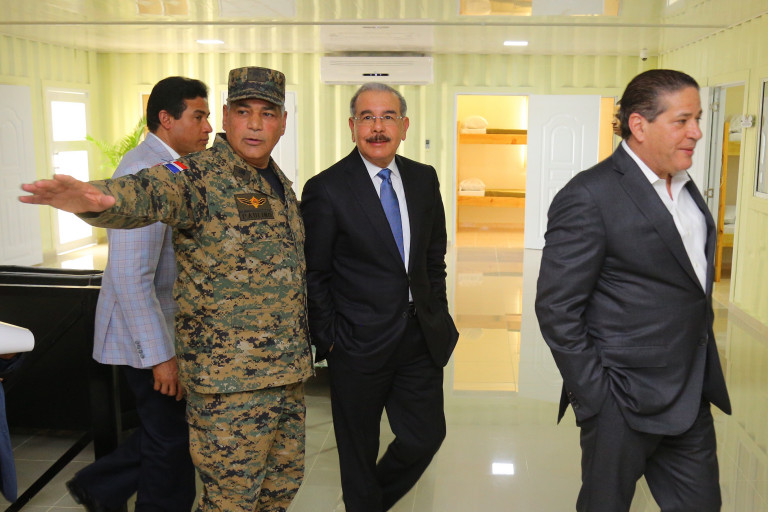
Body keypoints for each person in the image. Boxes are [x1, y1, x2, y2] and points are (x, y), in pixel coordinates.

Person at [19, 66, 313, 512]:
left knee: (279, 489)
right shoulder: (196, 175)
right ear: (226, 117)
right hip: (230, 384)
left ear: (283, 122)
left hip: (285, 375)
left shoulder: (275, 182)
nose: (255, 124)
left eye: (267, 113)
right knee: (230, 501)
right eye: (243, 111)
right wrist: (101, 199)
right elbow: (149, 191)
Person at [535, 69, 731, 512]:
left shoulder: (685, 188)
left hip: (689, 396)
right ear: (639, 125)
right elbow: (557, 308)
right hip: (621, 401)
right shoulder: (590, 195)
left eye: (697, 119)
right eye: (682, 121)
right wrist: (599, 398)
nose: (697, 132)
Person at [300, 82, 459, 512]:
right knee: (358, 452)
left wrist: (437, 311)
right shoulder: (327, 188)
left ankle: (370, 504)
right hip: (355, 343)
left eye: (387, 117)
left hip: (418, 338)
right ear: (352, 126)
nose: (377, 127)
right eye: (367, 117)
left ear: (404, 126)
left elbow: (433, 256)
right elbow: (314, 272)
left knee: (425, 436)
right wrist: (330, 338)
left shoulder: (423, 179)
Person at [64, 76, 212, 512]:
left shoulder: (176, 166)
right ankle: (101, 487)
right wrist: (160, 358)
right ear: (166, 119)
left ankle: (98, 487)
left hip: (167, 329)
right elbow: (130, 275)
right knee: (171, 442)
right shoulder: (142, 174)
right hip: (146, 337)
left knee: (169, 435)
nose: (208, 127)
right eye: (199, 116)